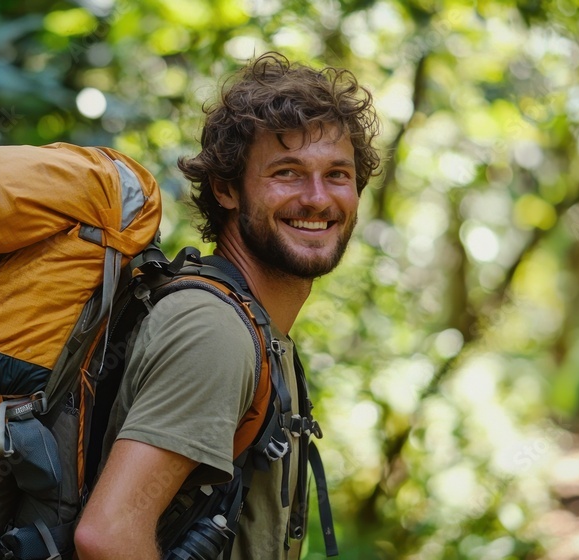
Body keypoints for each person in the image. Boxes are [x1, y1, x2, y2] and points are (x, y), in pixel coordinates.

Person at [73, 52, 381, 559]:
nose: (317, 198)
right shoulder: (214, 331)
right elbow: (108, 535)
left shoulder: (254, 327)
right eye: (287, 172)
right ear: (226, 188)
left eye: (338, 175)